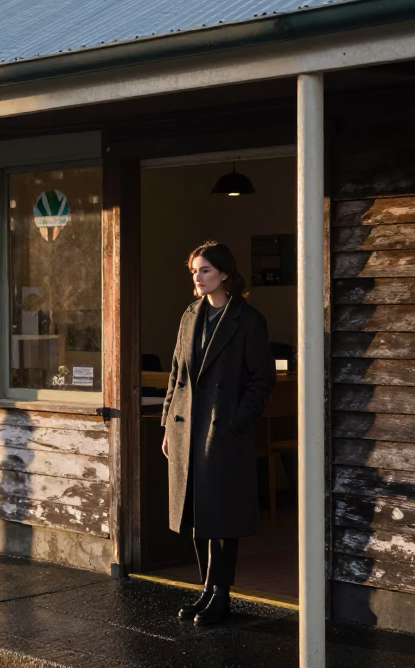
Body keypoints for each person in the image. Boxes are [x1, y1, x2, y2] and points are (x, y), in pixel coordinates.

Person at [161, 241, 275, 625]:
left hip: (223, 431)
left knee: (222, 516)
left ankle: (221, 593)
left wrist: (237, 421)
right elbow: (176, 375)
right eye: (194, 270)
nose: (198, 277)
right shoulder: (190, 314)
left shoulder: (248, 319)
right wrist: (167, 425)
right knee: (196, 511)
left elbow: (262, 380)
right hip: (186, 428)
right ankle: (206, 588)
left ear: (225, 273)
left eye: (205, 270)